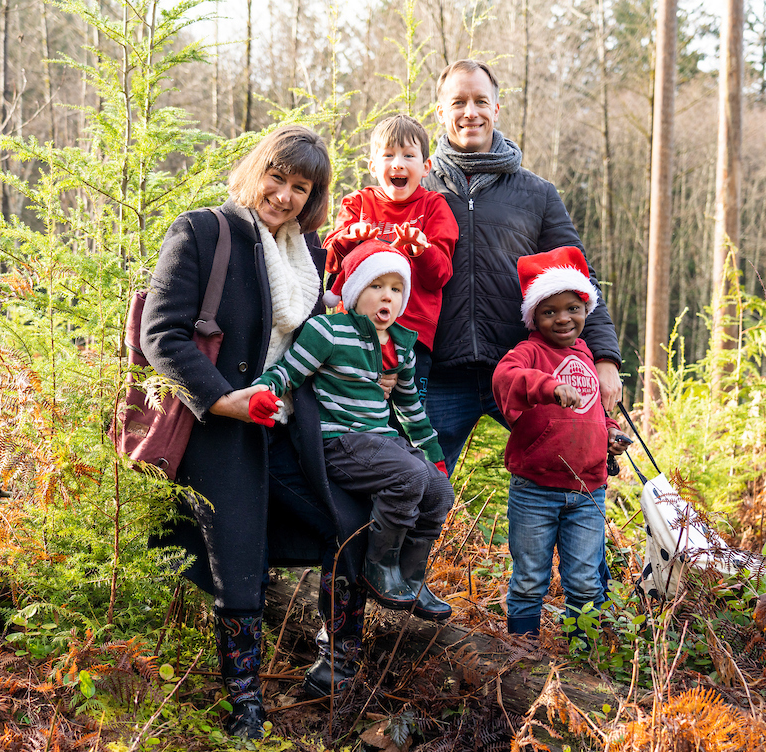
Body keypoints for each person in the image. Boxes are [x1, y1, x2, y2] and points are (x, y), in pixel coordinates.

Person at [139, 125, 371, 739]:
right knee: (237, 563)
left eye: (301, 186)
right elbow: (161, 334)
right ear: (256, 171)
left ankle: (337, 670)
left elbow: (317, 343)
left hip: (289, 428)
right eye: (278, 177)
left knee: (347, 525)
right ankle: (246, 708)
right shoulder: (203, 231)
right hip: (222, 428)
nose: (286, 195)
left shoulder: (308, 250)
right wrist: (220, 400)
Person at [422, 59, 624, 475]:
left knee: (573, 474)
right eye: (458, 102)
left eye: (481, 101)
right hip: (440, 377)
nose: (470, 112)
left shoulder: (537, 194)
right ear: (441, 112)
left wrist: (605, 359)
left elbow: (580, 278)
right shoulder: (420, 189)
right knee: (422, 493)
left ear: (497, 109)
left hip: (527, 370)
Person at [238, 239, 455, 625]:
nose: (387, 296)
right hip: (340, 441)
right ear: (354, 291)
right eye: (376, 286)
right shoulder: (329, 331)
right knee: (409, 477)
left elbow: (409, 406)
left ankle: (412, 576)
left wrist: (433, 453)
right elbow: (287, 371)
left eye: (396, 288)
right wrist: (262, 394)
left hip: (381, 440)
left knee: (439, 489)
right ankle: (379, 567)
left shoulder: (403, 345)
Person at [491, 248, 632, 641]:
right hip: (535, 490)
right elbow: (507, 379)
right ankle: (522, 650)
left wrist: (611, 432)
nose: (563, 318)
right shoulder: (529, 352)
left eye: (572, 307)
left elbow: (593, 410)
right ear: (534, 316)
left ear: (586, 308)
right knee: (529, 580)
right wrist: (550, 387)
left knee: (586, 582)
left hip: (588, 492)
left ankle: (582, 655)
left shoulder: (586, 353)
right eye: (549, 311)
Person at [322, 115, 458, 402]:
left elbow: (441, 275)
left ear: (425, 167)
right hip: (356, 331)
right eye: (388, 155)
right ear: (373, 166)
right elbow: (330, 261)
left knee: (407, 418)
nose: (398, 163)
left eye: (409, 155)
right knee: (356, 408)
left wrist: (421, 249)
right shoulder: (357, 203)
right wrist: (351, 236)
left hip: (412, 335)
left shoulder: (434, 206)